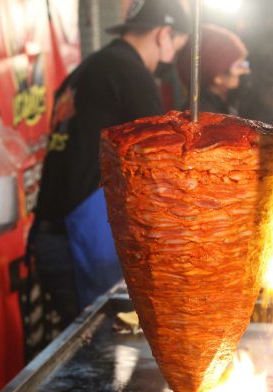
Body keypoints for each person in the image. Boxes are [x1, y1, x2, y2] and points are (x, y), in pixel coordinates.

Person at [31, 0, 189, 328]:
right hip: (80, 238)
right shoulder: (131, 74)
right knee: (101, 348)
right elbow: (158, 167)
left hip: (50, 233)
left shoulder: (89, 68)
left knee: (88, 342)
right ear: (165, 35)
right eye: (179, 45)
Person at [175, 24, 250, 115]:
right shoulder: (205, 116)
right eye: (239, 66)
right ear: (217, 77)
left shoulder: (221, 105)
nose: (246, 70)